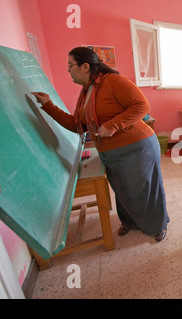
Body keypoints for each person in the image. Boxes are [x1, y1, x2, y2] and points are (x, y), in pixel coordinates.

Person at [31, 47, 169, 241]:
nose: (68, 70)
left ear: (85, 66)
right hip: (110, 151)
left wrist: (113, 125)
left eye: (70, 65)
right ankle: (130, 222)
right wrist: (48, 106)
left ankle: (157, 225)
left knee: (145, 189)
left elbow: (142, 106)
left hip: (136, 146)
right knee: (123, 190)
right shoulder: (87, 91)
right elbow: (76, 125)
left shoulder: (113, 81)